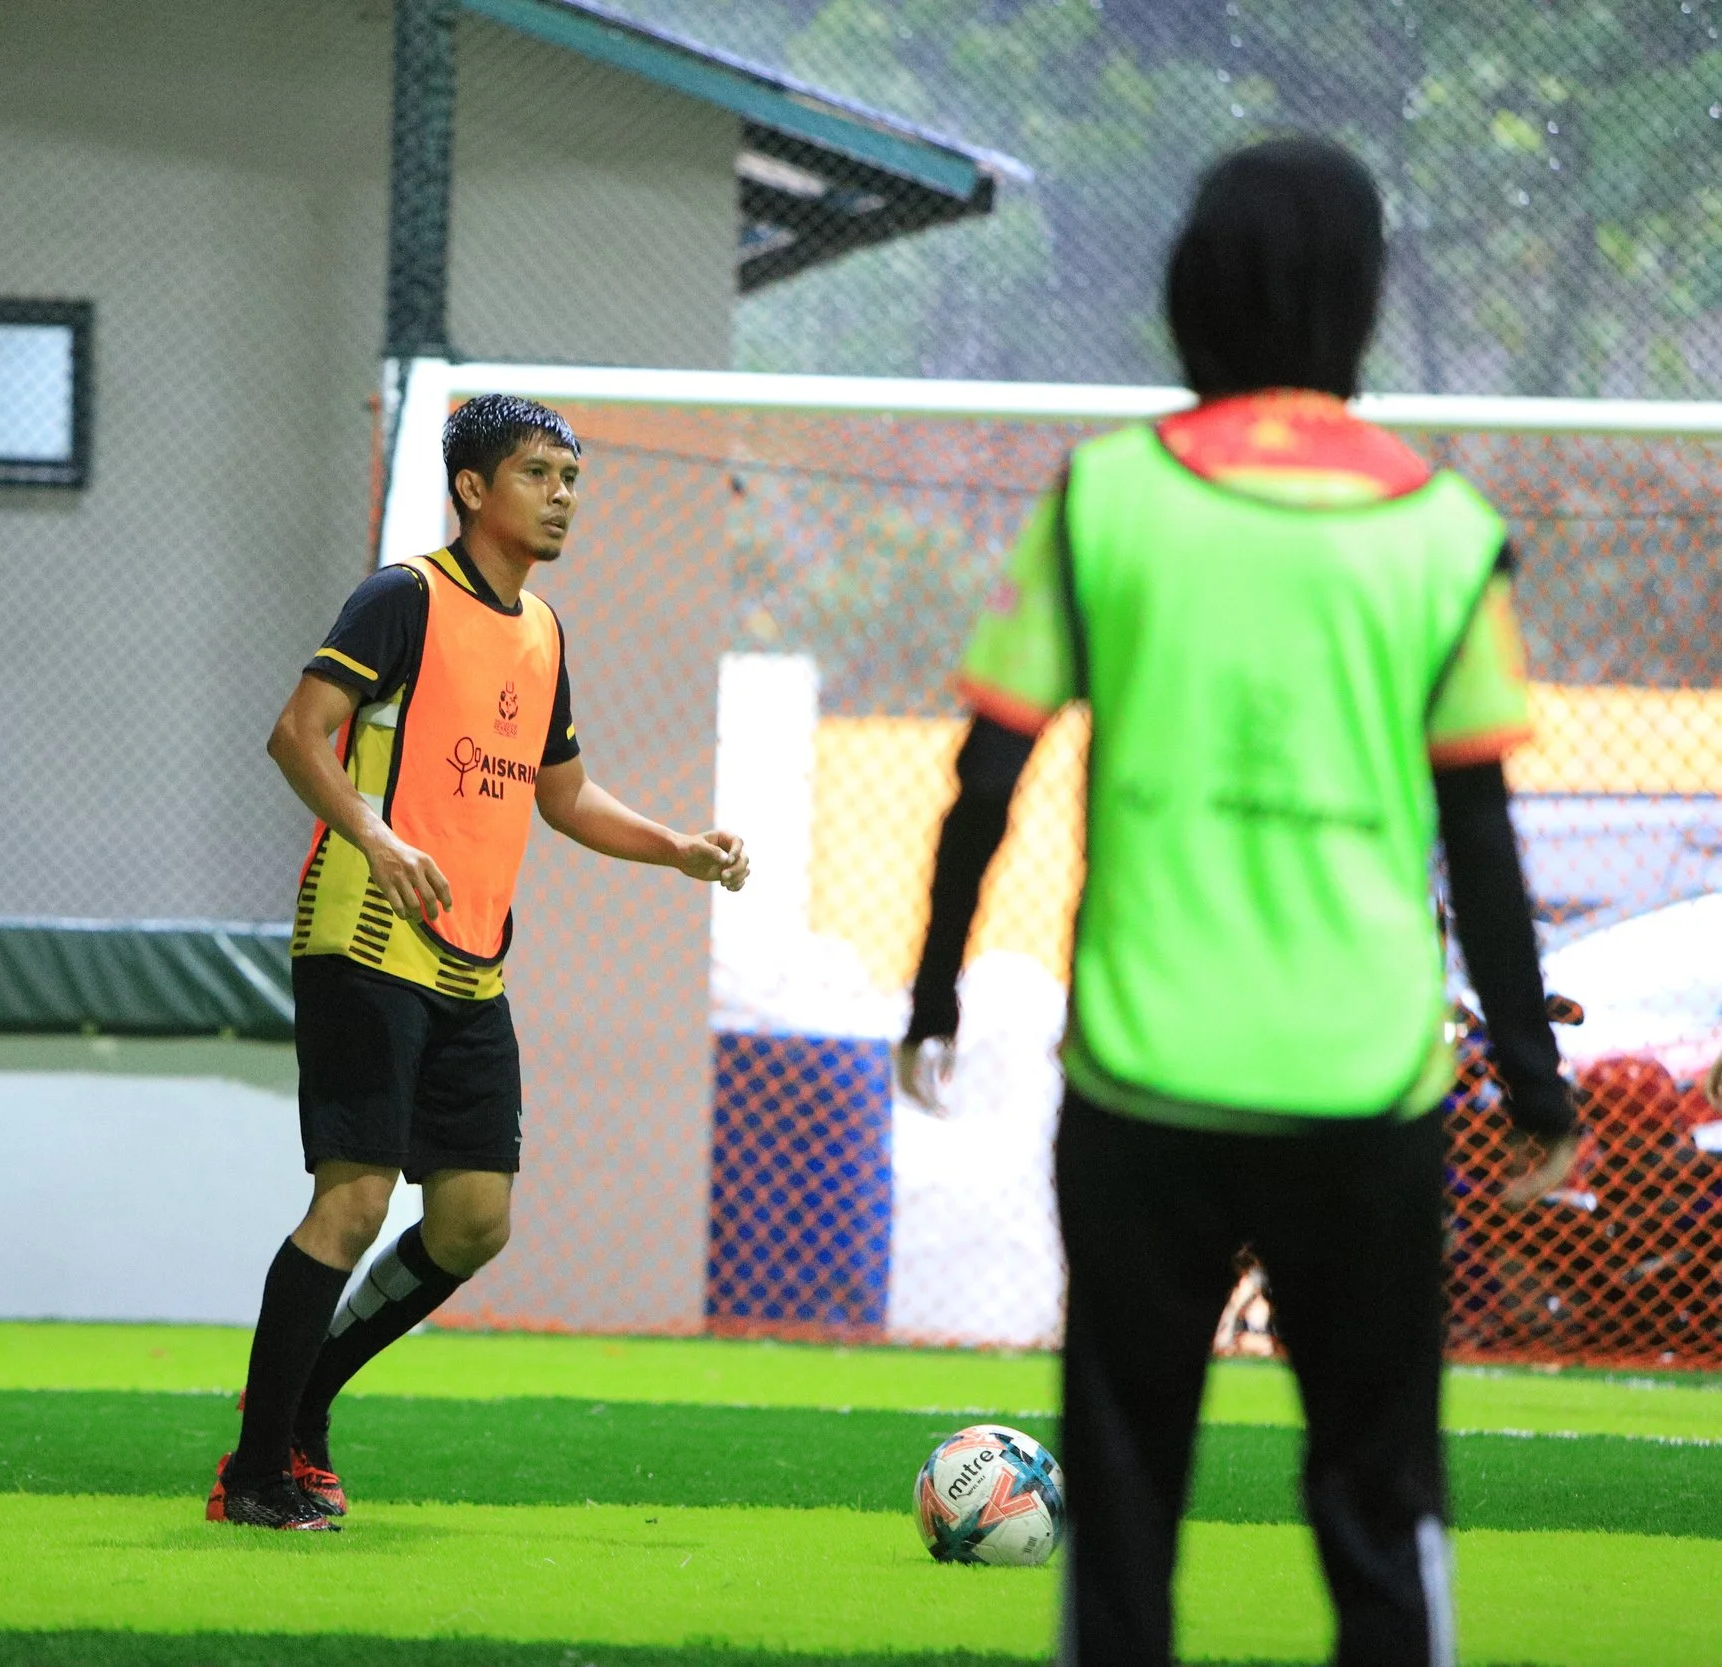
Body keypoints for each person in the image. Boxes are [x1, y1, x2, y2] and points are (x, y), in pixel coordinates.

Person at [893, 137, 1580, 1665]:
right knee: (1379, 1492)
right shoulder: (1445, 531)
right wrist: (1535, 1076)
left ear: (1189, 283)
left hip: (1146, 1086)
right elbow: (1482, 834)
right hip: (1365, 1089)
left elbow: (987, 777)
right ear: (1364, 297)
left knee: (1127, 1493)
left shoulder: (1104, 500)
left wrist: (933, 989)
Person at [208, 393, 751, 1531]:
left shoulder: (542, 630)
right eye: (538, 473)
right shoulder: (402, 597)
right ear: (472, 487)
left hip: (471, 965)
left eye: (571, 478)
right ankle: (256, 1471)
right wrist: (377, 834)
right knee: (353, 1202)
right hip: (365, 933)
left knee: (471, 1222)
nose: (562, 496)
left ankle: (301, 1406)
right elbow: (295, 734)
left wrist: (676, 848)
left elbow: (564, 794)